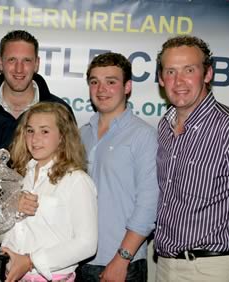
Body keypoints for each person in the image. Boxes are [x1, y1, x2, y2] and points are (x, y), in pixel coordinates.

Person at [154, 35, 229, 281]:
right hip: (164, 266)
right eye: (170, 71)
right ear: (160, 79)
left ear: (208, 74)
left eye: (189, 70)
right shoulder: (163, 127)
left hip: (212, 269)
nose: (179, 81)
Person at [76, 52, 159, 282]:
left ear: (127, 87)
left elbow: (148, 204)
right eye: (94, 82)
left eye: (111, 82)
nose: (101, 89)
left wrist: (122, 258)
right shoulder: (81, 135)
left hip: (121, 263)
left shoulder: (143, 136)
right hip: (77, 259)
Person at [1, 102, 98, 282]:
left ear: (62, 136)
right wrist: (12, 208)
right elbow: (0, 233)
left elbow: (87, 244)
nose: (35, 139)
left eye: (44, 131)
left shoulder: (77, 180)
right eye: (30, 131)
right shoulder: (19, 177)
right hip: (11, 275)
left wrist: (31, 261)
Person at [0, 29, 75, 153]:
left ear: (36, 64)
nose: (19, 69)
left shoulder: (60, 111)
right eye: (12, 60)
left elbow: (70, 161)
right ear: (1, 64)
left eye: (26, 60)